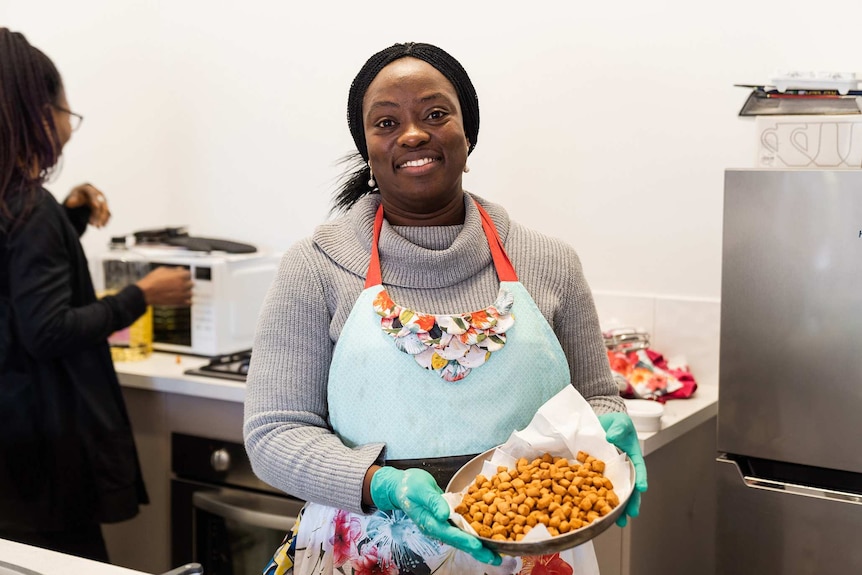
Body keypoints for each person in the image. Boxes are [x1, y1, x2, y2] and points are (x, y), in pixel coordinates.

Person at [243, 42, 648, 575]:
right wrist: (379, 483)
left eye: (436, 114)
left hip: (534, 544)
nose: (412, 134)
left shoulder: (550, 262)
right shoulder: (316, 266)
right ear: (366, 148)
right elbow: (274, 433)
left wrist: (609, 428)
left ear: (468, 133)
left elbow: (597, 399)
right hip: (368, 552)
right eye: (386, 122)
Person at [0, 28, 193, 562]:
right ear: (37, 114)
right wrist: (142, 293)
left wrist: (70, 218)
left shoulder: (20, 206)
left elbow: (15, 282)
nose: (67, 125)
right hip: (43, 461)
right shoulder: (29, 209)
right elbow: (46, 330)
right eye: (66, 112)